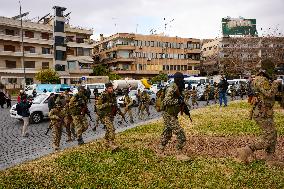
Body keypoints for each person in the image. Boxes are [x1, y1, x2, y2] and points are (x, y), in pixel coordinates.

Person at [236, 59, 281, 165]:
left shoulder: (264, 79)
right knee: (269, 137)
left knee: (272, 135)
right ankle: (246, 150)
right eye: (272, 69)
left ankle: (270, 159)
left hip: (265, 112)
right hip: (262, 113)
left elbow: (270, 96)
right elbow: (269, 93)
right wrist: (275, 84)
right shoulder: (261, 80)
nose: (273, 72)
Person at [159, 72, 188, 160]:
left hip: (172, 114)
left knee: (167, 133)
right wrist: (178, 102)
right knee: (181, 134)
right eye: (181, 79)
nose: (183, 81)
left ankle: (160, 151)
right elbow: (166, 101)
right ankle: (179, 153)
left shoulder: (178, 87)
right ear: (178, 79)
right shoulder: (172, 88)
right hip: (168, 114)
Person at [96, 82, 120, 151]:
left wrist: (117, 110)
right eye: (109, 88)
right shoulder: (102, 96)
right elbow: (98, 106)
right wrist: (107, 104)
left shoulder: (113, 95)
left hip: (111, 114)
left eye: (112, 88)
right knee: (112, 129)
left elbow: (114, 104)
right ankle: (111, 143)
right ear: (106, 89)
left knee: (108, 129)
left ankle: (106, 141)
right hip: (104, 115)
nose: (111, 89)